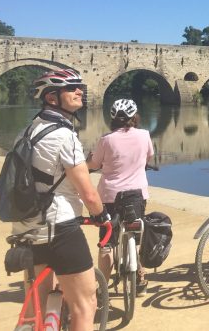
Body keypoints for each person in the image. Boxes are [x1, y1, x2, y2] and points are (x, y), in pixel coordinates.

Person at [12, 68, 110, 331]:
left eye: (80, 87)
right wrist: (102, 215)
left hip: (26, 226)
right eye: (72, 88)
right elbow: (88, 192)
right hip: (60, 228)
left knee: (37, 306)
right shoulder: (65, 136)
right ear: (53, 98)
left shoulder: (26, 131)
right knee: (85, 303)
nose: (80, 91)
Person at [86, 98, 155, 295]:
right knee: (134, 234)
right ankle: (140, 277)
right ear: (135, 117)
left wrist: (89, 161)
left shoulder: (106, 140)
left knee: (107, 241)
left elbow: (94, 165)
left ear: (113, 119)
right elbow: (147, 157)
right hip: (137, 194)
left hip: (109, 196)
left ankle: (103, 287)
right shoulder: (144, 135)